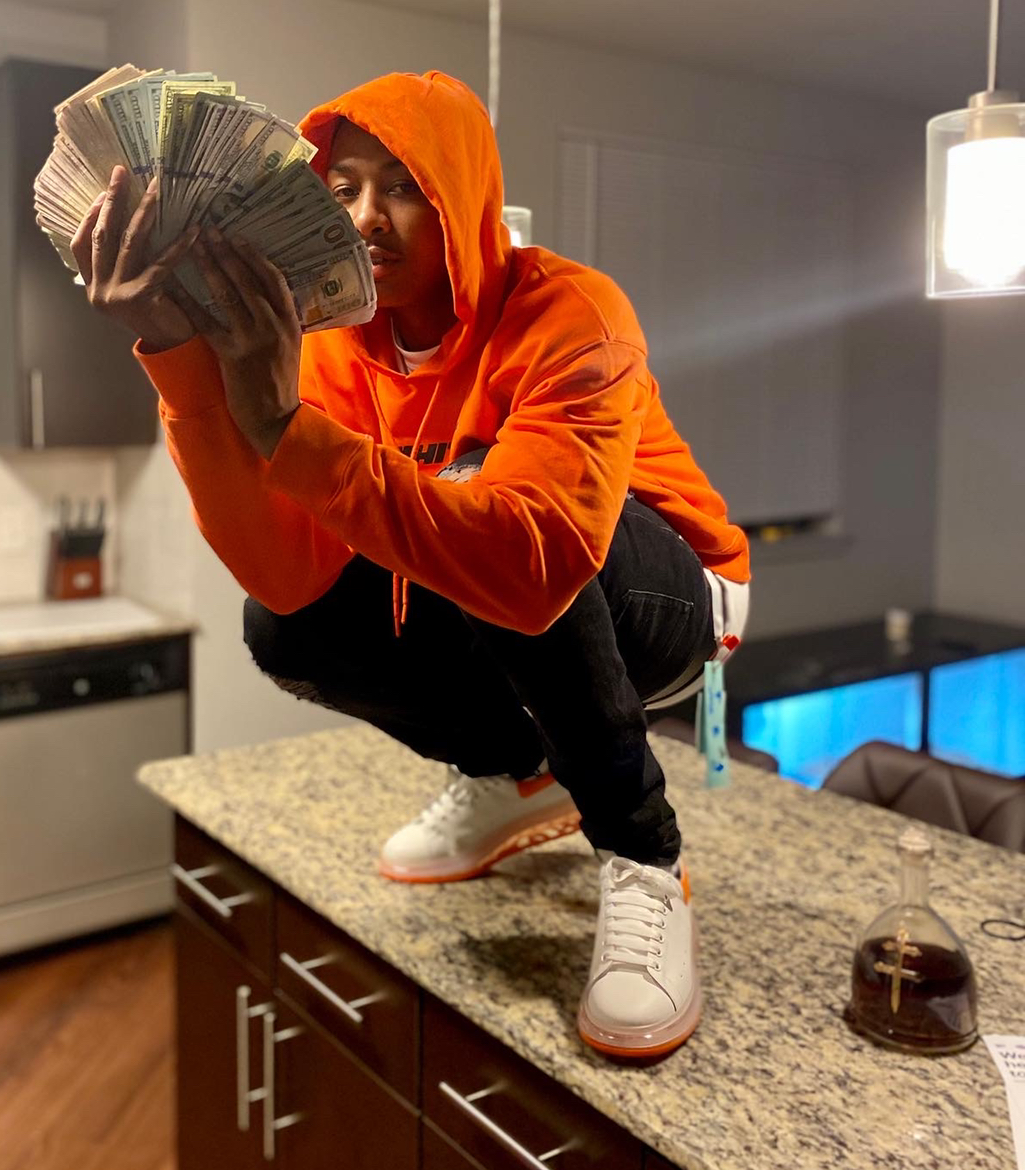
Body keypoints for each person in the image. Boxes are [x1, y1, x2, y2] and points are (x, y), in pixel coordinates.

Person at [70, 70, 750, 1058]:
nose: (364, 217)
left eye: (402, 187)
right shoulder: (333, 341)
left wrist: (288, 430)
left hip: (672, 597)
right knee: (284, 625)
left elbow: (532, 560)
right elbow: (284, 572)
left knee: (482, 493)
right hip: (511, 598)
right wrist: (181, 363)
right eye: (342, 187)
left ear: (461, 195)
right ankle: (514, 774)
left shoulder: (573, 312)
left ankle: (643, 855)